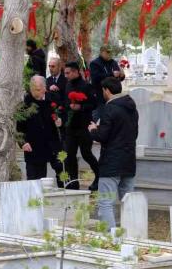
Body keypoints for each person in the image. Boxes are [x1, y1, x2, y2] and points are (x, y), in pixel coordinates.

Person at [88, 77, 138, 228]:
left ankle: (110, 235)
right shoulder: (132, 108)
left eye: (103, 90)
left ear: (107, 90)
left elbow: (102, 136)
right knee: (128, 201)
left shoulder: (109, 108)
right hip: (129, 160)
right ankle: (131, 233)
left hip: (111, 162)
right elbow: (134, 134)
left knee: (105, 202)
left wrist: (93, 130)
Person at [16, 76, 63, 185]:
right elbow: (19, 129)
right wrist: (23, 143)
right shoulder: (25, 105)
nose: (35, 92)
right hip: (33, 146)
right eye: (33, 90)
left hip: (52, 143)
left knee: (61, 169)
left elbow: (62, 113)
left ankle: (65, 189)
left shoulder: (51, 99)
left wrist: (60, 121)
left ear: (44, 88)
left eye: (38, 89)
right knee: (35, 178)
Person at [61, 61, 99, 191]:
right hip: (71, 127)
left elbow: (94, 104)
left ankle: (99, 175)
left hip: (84, 126)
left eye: (68, 73)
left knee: (86, 154)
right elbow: (65, 103)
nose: (66, 75)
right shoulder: (67, 85)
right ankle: (73, 183)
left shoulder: (86, 86)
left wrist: (81, 107)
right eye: (65, 73)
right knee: (69, 156)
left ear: (75, 72)